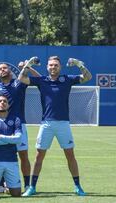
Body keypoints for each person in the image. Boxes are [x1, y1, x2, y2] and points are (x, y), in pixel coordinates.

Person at [18, 56, 92, 196]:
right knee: (39, 156)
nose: (53, 67)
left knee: (70, 155)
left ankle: (77, 186)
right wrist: (27, 65)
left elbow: (87, 77)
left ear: (60, 67)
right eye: (51, 65)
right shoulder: (42, 80)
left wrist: (78, 63)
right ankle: (32, 187)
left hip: (63, 124)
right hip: (46, 123)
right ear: (47, 67)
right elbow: (22, 78)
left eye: (56, 65)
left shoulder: (67, 79)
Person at [0, 62, 40, 191]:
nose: (3, 70)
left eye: (5, 68)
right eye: (0, 69)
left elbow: (39, 80)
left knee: (23, 155)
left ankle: (27, 185)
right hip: (1, 125)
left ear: (10, 70)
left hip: (19, 124)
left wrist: (28, 67)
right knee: (2, 155)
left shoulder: (19, 82)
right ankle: (3, 185)